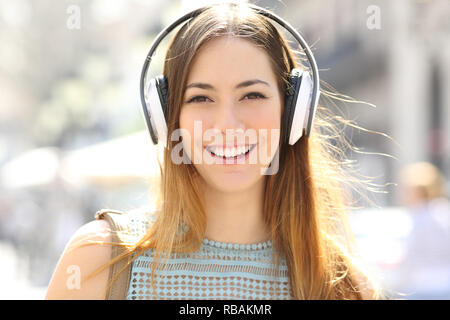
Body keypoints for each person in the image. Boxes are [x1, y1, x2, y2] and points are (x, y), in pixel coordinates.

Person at [45, 1, 381, 300]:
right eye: (201, 98)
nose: (227, 124)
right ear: (167, 118)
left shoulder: (345, 286)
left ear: (292, 111)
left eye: (252, 95)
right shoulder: (97, 261)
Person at [395, 162, 450, 299]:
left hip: (421, 286)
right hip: (444, 284)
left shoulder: (418, 217)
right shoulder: (443, 210)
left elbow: (412, 254)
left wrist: (399, 285)